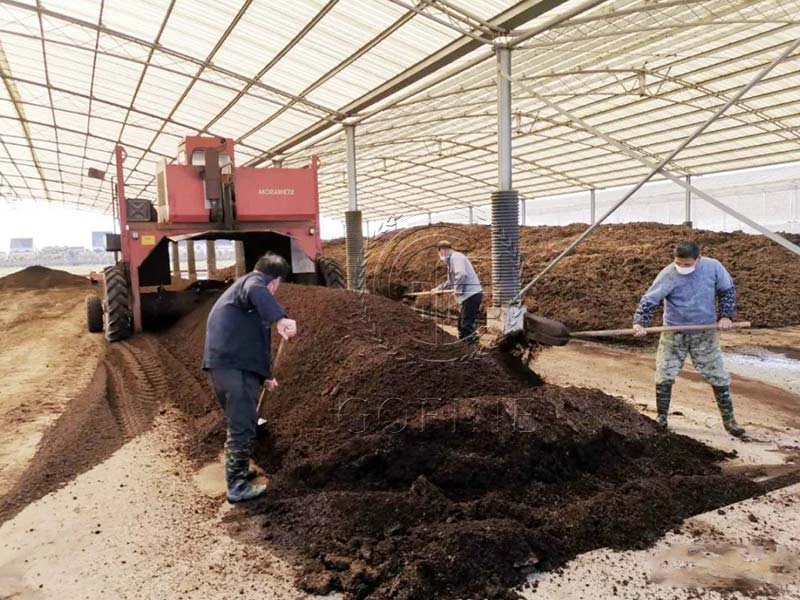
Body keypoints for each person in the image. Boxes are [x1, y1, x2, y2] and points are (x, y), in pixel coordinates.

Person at [202, 252, 297, 503]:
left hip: (231, 366)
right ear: (274, 281)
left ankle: (240, 470)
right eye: (276, 285)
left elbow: (250, 343)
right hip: (231, 368)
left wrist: (264, 377)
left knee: (242, 420)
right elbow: (257, 287)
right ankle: (236, 487)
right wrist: (281, 318)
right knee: (243, 426)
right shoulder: (252, 283)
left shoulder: (245, 301)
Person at [633, 240, 744, 437]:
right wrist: (640, 323)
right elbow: (650, 299)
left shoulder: (713, 267)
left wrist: (725, 315)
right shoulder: (668, 274)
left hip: (704, 332)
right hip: (674, 332)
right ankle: (662, 418)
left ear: (698, 259)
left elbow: (727, 291)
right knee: (664, 373)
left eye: (687, 264)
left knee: (717, 374)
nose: (682, 267)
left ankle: (730, 421)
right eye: (679, 263)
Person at [434, 240, 483, 343]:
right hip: (469, 296)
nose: (440, 256)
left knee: (466, 326)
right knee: (461, 326)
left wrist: (457, 289)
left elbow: (461, 274)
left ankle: (471, 348)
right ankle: (468, 345)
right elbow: (450, 281)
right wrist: (439, 288)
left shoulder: (456, 257)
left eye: (439, 253)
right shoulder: (451, 261)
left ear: (442, 250)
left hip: (472, 295)